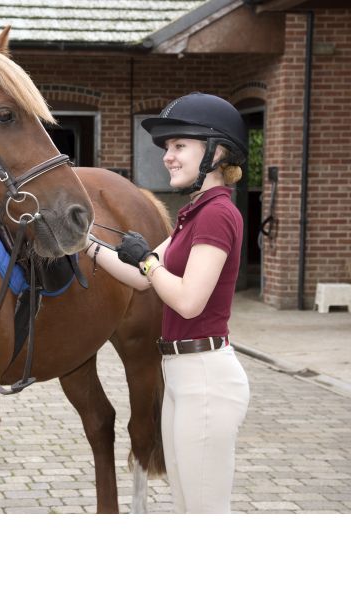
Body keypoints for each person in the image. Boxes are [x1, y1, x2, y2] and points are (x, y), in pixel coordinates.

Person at [85, 92, 251, 513]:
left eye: (179, 146)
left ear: (216, 152)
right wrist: (84, 244)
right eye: (167, 148)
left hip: (204, 377)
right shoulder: (194, 213)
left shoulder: (217, 214)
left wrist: (147, 260)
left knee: (203, 513)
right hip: (181, 373)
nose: (167, 157)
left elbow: (189, 300)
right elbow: (140, 279)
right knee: (187, 507)